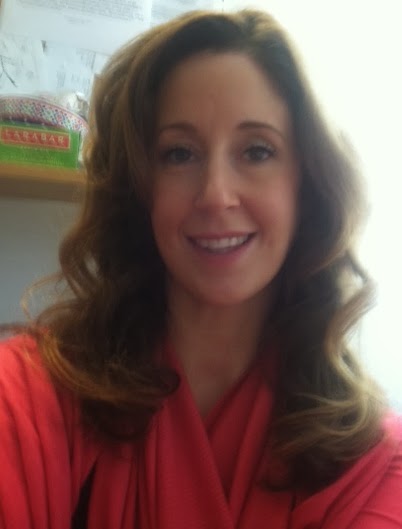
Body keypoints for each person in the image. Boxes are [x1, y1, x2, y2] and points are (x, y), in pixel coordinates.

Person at [0, 9, 401, 529]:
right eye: (179, 154)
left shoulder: (373, 464)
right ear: (140, 189)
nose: (215, 194)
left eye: (257, 151)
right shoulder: (29, 398)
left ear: (308, 184)